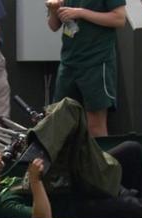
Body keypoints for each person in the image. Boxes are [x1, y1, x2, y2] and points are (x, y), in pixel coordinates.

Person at [0, 98, 142, 218]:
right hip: (76, 200)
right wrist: (35, 182)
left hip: (70, 176)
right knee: (136, 208)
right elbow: (43, 217)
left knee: (131, 150)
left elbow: (5, 168)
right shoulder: (3, 206)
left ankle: (125, 194)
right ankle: (136, 201)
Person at [45, 0, 126, 137]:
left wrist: (80, 13)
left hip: (97, 61)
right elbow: (53, 26)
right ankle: (65, 158)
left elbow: (119, 19)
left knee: (95, 123)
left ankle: (99, 159)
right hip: (68, 62)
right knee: (58, 120)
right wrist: (53, 9)